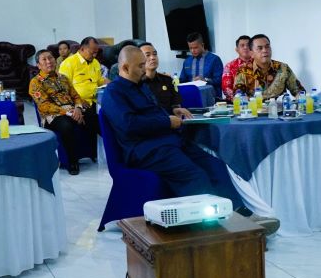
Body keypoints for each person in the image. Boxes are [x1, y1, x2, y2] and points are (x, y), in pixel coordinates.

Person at [101, 46, 280, 234]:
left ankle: (241, 214)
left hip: (168, 141)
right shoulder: (114, 92)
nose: (144, 69)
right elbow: (128, 124)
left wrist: (171, 113)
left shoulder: (141, 87)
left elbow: (152, 113)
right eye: (140, 66)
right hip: (145, 150)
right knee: (195, 175)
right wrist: (166, 122)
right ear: (125, 68)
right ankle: (215, 229)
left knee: (215, 165)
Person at [29, 49, 99, 175]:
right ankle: (72, 162)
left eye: (50, 58)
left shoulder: (63, 78)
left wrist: (78, 108)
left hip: (73, 110)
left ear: (55, 60)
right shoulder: (35, 82)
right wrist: (68, 112)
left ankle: (97, 153)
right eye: (44, 59)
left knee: (94, 118)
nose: (48, 61)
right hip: (53, 115)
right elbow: (44, 106)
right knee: (66, 126)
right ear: (38, 65)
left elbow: (76, 96)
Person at [233, 34, 303, 99]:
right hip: (254, 107)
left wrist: (300, 99)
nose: (265, 50)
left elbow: (298, 90)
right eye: (260, 48)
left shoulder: (283, 68)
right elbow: (238, 95)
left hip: (278, 107)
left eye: (267, 47)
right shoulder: (243, 70)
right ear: (251, 54)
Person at [140, 42, 193, 118]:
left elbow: (175, 103)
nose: (153, 58)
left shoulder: (167, 80)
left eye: (155, 54)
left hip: (170, 121)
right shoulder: (137, 83)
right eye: (147, 55)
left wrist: (176, 109)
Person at [58, 36, 109, 106]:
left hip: (96, 100)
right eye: (92, 53)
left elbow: (100, 80)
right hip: (79, 104)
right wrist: (78, 101)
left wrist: (113, 84)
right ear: (82, 49)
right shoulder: (68, 63)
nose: (94, 55)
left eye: (96, 53)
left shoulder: (95, 62)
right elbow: (63, 89)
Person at [179, 32, 224, 97]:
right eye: (190, 48)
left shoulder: (214, 59)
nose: (192, 51)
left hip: (211, 98)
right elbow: (182, 80)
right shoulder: (187, 61)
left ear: (202, 45)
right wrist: (171, 79)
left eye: (195, 48)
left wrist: (205, 80)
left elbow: (219, 80)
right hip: (191, 96)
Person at [221, 35, 252, 102]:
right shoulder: (230, 66)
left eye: (248, 45)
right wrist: (240, 99)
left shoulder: (259, 64)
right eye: (242, 45)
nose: (246, 47)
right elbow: (226, 88)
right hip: (236, 102)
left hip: (257, 100)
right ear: (237, 50)